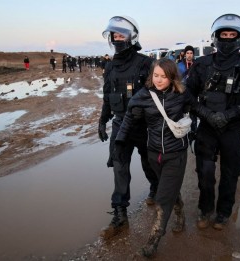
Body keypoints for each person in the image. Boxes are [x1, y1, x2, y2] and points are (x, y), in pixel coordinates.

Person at [186, 14, 240, 230]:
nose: (228, 39)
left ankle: (223, 212)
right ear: (216, 36)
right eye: (224, 35)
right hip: (206, 126)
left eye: (233, 35)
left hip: (232, 128)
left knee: (230, 173)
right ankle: (205, 209)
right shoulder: (201, 64)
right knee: (204, 172)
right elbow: (188, 95)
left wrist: (230, 115)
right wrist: (205, 113)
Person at [115, 58, 196, 258]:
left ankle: (153, 240)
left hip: (176, 153)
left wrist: (207, 124)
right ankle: (180, 214)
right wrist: (119, 141)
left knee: (161, 198)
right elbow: (128, 118)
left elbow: (197, 109)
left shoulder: (182, 94)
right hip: (154, 153)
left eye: (164, 76)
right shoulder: (143, 95)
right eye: (156, 75)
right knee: (169, 189)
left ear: (172, 77)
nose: (159, 80)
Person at [98, 15, 159, 239]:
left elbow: (157, 95)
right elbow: (107, 96)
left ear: (132, 37)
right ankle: (120, 212)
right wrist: (102, 121)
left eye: (121, 34)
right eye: (114, 35)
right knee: (120, 167)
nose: (117, 38)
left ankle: (155, 188)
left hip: (143, 126)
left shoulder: (145, 63)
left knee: (148, 163)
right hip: (119, 124)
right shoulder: (110, 65)